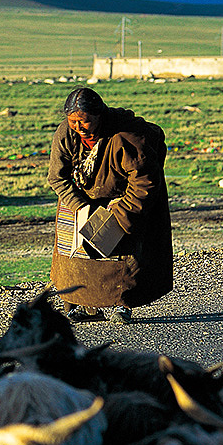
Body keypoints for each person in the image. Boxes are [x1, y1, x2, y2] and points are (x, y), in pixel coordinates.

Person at [46, 86, 173, 322]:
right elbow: (57, 177)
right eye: (73, 121)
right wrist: (80, 207)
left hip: (121, 200)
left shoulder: (125, 136)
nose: (78, 127)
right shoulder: (65, 133)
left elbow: (144, 182)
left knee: (121, 255)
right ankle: (81, 305)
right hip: (79, 198)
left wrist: (122, 212)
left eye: (84, 121)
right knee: (74, 254)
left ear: (99, 116)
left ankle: (122, 305)